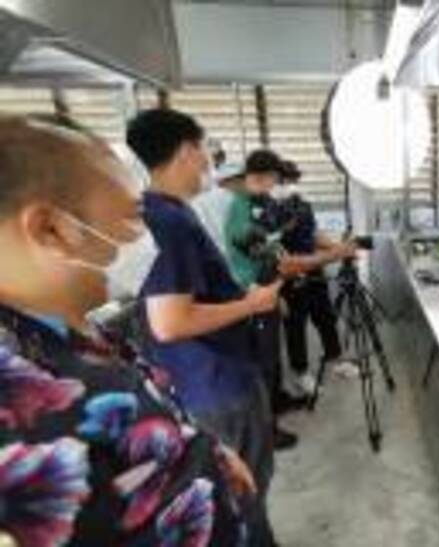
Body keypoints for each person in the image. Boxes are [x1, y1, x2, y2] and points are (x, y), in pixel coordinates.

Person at [0, 114, 256, 545]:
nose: (145, 241)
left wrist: (209, 453)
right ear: (52, 230)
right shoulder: (21, 424)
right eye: (135, 219)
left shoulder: (59, 326)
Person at [127, 109, 281, 545]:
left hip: (209, 375)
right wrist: (252, 303)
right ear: (185, 150)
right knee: (243, 492)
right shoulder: (167, 221)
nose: (208, 162)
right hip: (216, 383)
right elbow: (170, 322)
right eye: (204, 150)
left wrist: (239, 295)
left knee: (246, 486)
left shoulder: (168, 211)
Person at [223, 149, 300, 449]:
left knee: (273, 353)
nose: (276, 186)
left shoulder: (261, 201)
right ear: (263, 176)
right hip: (252, 290)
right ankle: (267, 431)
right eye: (275, 179)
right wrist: (276, 245)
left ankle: (277, 400)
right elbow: (249, 245)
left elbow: (272, 238)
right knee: (263, 361)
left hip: (269, 285)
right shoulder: (240, 205)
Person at [273, 160, 359, 394]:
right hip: (289, 274)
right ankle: (300, 372)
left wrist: (338, 247)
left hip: (314, 268)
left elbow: (312, 234)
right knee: (296, 325)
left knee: (325, 316)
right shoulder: (269, 211)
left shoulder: (303, 205)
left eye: (293, 180)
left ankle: (336, 358)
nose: (290, 185)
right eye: (285, 181)